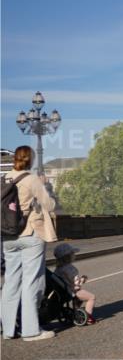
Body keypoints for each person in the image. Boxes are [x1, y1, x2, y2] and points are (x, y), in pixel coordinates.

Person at [2, 146, 58, 341]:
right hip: (29, 234)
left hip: (7, 237)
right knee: (32, 281)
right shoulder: (31, 179)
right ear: (31, 160)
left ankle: (8, 330)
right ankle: (31, 330)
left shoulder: (5, 178)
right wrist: (45, 186)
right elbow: (50, 205)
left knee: (11, 282)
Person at [53, 243, 96, 325]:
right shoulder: (71, 269)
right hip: (72, 291)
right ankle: (88, 317)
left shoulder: (58, 269)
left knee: (79, 298)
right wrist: (83, 279)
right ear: (68, 256)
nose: (74, 255)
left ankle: (76, 311)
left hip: (64, 291)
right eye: (73, 254)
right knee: (91, 297)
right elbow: (76, 284)